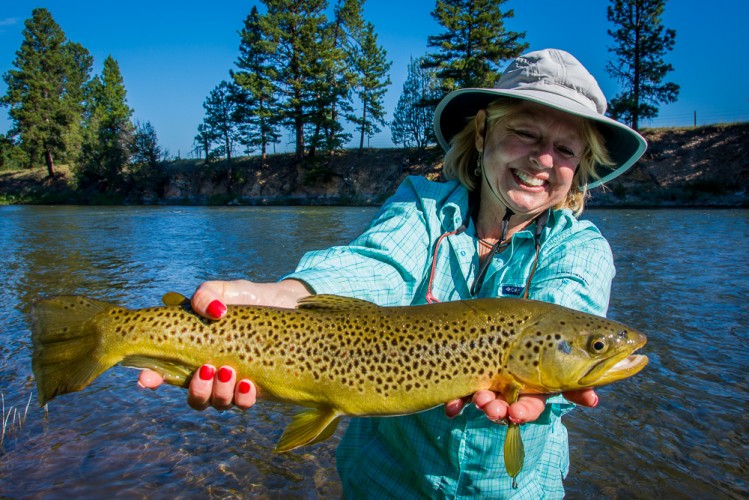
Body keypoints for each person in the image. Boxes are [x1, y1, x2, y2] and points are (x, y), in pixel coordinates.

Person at [139, 48, 647, 497]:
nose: (542, 159)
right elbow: (379, 262)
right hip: (384, 483)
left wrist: (562, 379)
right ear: (484, 131)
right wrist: (289, 292)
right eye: (525, 133)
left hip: (514, 491)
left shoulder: (581, 247)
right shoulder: (423, 206)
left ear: (581, 166)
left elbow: (570, 305)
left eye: (565, 149)